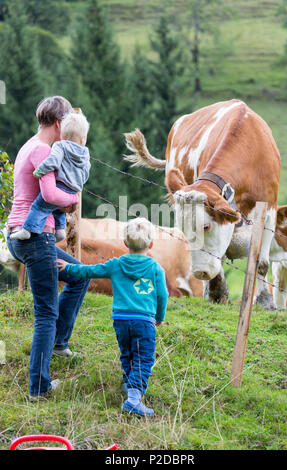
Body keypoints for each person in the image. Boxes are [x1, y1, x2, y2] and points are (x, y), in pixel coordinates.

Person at [6, 96, 91, 400]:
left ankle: (59, 342)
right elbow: (51, 194)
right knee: (45, 312)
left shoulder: (29, 145)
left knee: (79, 276)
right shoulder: (44, 150)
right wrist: (73, 199)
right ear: (58, 124)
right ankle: (39, 387)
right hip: (35, 237)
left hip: (19, 235)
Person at [55, 217, 169, 416]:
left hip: (121, 320)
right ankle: (133, 399)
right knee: (144, 358)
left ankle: (128, 383)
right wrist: (159, 316)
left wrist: (69, 267)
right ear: (151, 244)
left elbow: (89, 271)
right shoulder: (155, 268)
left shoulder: (115, 265)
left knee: (127, 353)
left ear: (124, 243)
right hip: (144, 321)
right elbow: (162, 295)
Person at [10, 112, 91, 242]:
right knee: (57, 210)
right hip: (73, 188)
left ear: (63, 135)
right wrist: (78, 185)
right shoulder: (85, 153)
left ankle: (26, 229)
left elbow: (53, 161)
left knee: (39, 206)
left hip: (60, 185)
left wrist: (40, 170)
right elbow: (86, 171)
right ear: (83, 139)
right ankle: (60, 230)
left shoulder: (60, 145)